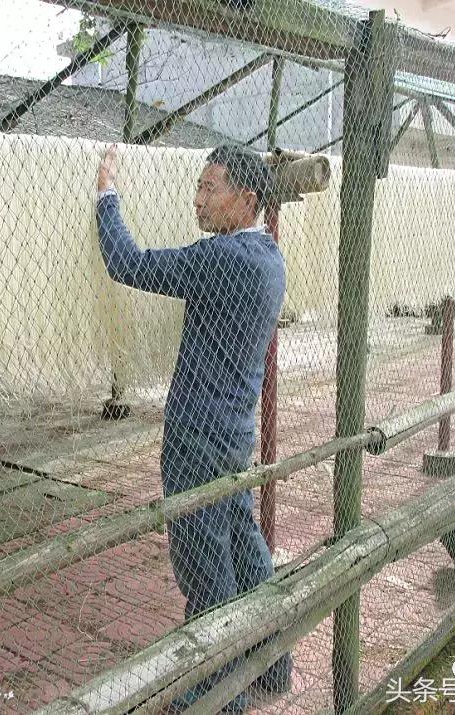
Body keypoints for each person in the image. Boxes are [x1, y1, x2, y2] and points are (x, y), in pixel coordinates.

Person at [95, 144, 293, 711]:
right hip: (233, 430)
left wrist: (107, 193)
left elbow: (127, 263)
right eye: (199, 186)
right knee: (245, 547)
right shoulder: (268, 257)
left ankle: (215, 696)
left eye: (211, 188)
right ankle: (272, 666)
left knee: (205, 566)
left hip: (196, 436)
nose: (198, 198)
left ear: (247, 199)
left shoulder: (224, 259)